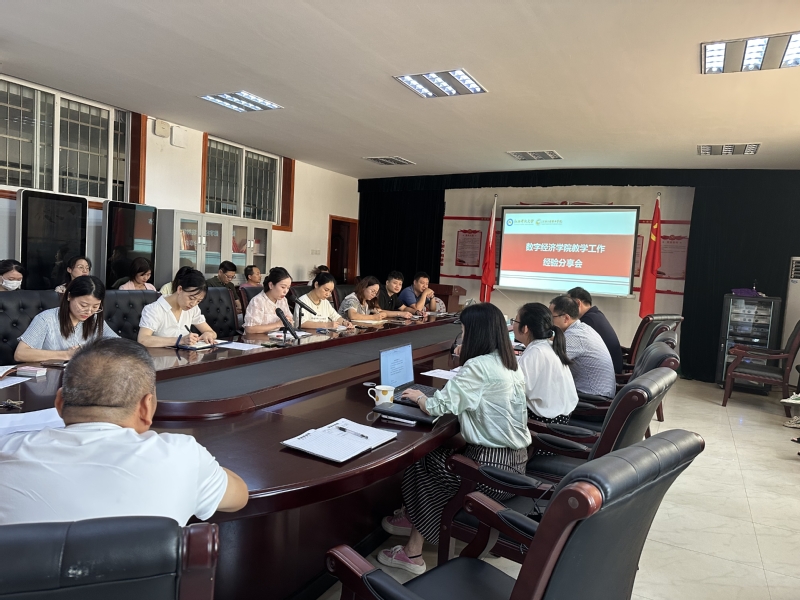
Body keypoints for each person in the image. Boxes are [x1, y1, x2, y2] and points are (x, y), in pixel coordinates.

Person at [0, 338, 248, 526]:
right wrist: (202, 465)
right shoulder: (183, 456)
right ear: (146, 407)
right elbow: (239, 496)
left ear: (59, 403)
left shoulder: (6, 453)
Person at [378, 303, 531, 574]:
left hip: (489, 471)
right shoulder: (509, 363)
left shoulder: (479, 366)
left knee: (421, 460)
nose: (462, 336)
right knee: (437, 454)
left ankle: (412, 552)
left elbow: (437, 407)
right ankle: (414, 518)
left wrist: (420, 397)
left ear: (476, 332)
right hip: (516, 465)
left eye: (463, 330)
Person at [14, 275, 117, 362]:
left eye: (95, 307)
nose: (89, 312)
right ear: (69, 296)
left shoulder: (95, 319)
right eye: (83, 305)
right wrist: (67, 354)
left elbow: (118, 345)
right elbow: (20, 354)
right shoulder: (46, 319)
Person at [512, 302, 578, 423]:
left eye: (515, 321)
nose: (512, 325)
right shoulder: (549, 345)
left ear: (525, 328)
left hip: (545, 422)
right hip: (561, 417)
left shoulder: (536, 352)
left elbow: (515, 391)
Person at [550, 295, 616, 398]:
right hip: (598, 392)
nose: (549, 322)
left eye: (551, 317)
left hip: (593, 396)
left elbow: (549, 362)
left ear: (566, 318)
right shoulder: (582, 328)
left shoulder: (575, 336)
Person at [137, 269, 217, 348]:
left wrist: (208, 334)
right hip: (160, 355)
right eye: (191, 298)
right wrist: (180, 340)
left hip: (185, 355)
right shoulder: (154, 309)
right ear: (180, 289)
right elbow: (143, 340)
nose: (193, 304)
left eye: (198, 301)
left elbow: (211, 332)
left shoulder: (193, 308)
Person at [568, 287, 624, 374]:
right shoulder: (595, 315)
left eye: (567, 304)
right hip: (610, 368)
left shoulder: (588, 321)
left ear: (578, 303)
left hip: (607, 373)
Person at [244, 267, 294, 335]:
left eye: (288, 288)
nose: (286, 291)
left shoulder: (283, 300)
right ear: (271, 285)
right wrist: (277, 324)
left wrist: (289, 321)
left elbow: (290, 321)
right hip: (258, 339)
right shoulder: (258, 301)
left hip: (277, 338)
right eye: (283, 287)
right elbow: (249, 329)